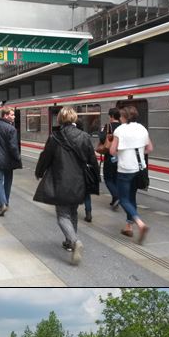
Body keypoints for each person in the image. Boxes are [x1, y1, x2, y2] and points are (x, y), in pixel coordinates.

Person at [33, 107, 98, 266]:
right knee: (73, 212)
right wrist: (95, 180)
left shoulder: (55, 137)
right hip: (78, 181)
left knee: (62, 215)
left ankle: (75, 242)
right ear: (75, 119)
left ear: (60, 120)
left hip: (60, 179)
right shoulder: (84, 136)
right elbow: (93, 161)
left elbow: (45, 157)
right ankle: (69, 242)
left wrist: (39, 172)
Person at [109, 105, 152, 243]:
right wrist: (137, 153)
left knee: (123, 199)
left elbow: (112, 151)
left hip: (125, 169)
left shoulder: (120, 130)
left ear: (125, 117)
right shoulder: (142, 128)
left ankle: (140, 224)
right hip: (139, 169)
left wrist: (121, 154)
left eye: (121, 116)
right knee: (131, 197)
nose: (120, 118)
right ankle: (129, 227)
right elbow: (149, 148)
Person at [98, 107, 122, 211]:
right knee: (116, 178)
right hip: (120, 156)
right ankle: (114, 200)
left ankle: (116, 196)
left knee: (108, 179)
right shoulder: (123, 127)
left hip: (110, 156)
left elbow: (102, 138)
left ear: (111, 116)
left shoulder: (107, 126)